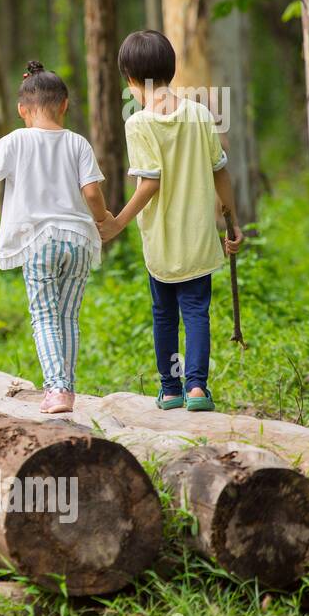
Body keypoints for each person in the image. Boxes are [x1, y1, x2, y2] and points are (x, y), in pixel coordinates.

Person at [0, 61, 110, 413]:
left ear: (22, 109)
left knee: (44, 316)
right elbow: (93, 193)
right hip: (78, 239)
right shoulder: (78, 143)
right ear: (65, 104)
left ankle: (57, 389)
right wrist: (103, 219)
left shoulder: (17, 140)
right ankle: (66, 386)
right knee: (67, 316)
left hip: (40, 241)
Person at [98, 29, 243, 412]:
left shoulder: (139, 123)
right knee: (196, 312)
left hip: (161, 242)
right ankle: (197, 388)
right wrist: (232, 220)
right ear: (172, 70)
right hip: (198, 238)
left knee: (164, 315)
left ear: (129, 78)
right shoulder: (198, 113)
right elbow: (221, 172)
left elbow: (149, 183)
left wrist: (117, 223)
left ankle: (170, 388)